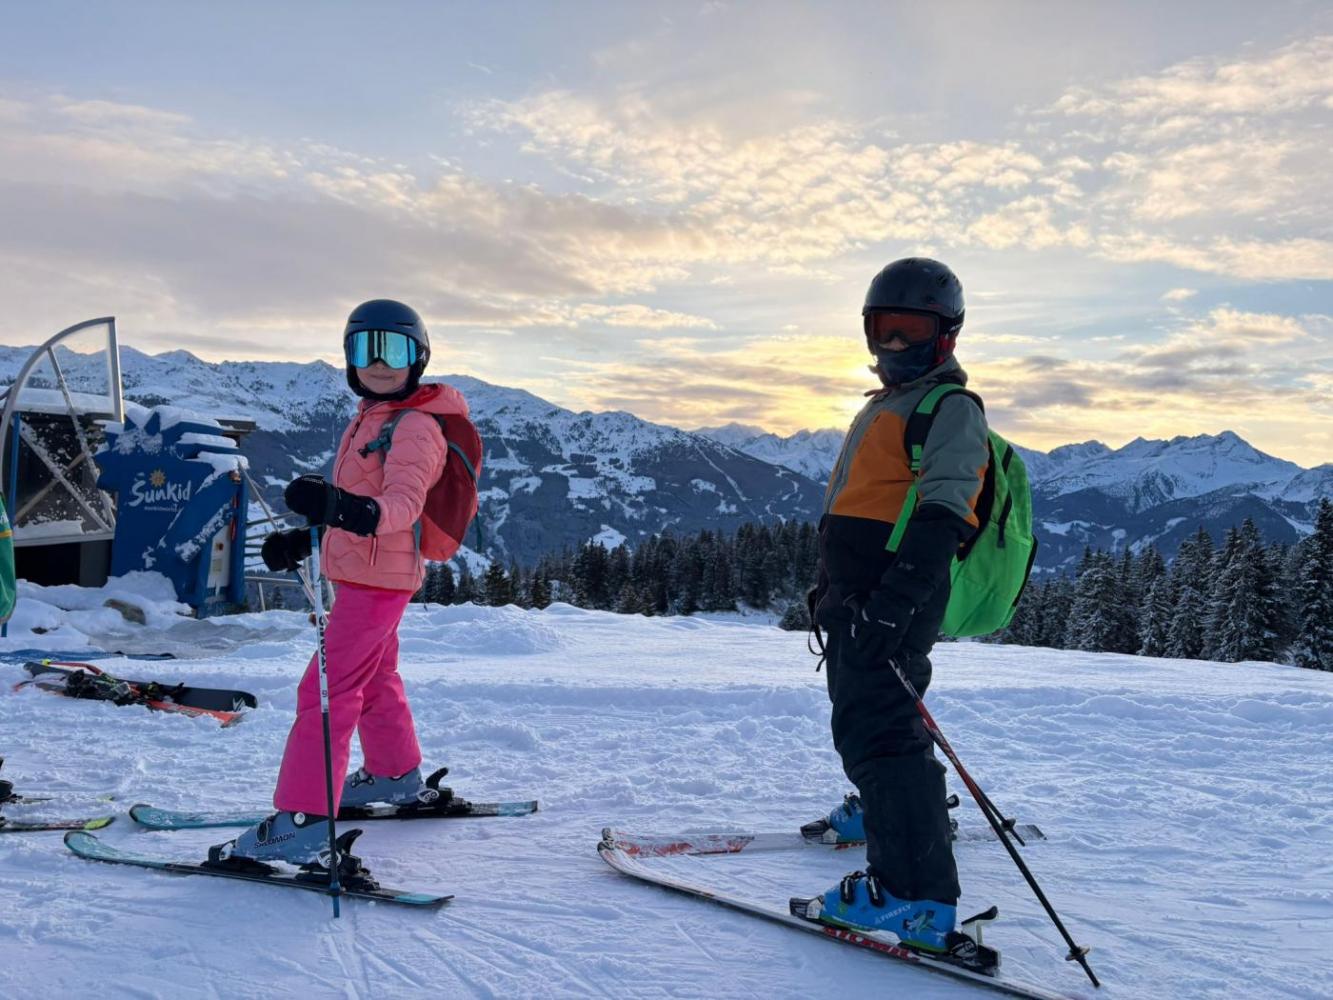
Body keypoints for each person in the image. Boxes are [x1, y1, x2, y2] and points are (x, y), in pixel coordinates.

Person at [213, 299, 471, 866]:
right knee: (375, 678)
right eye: (364, 347)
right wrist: (306, 538)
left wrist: (339, 507)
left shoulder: (415, 426)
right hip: (367, 575)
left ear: (418, 358)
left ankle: (302, 822)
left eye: (393, 349)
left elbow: (399, 506)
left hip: (379, 582)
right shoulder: (372, 418)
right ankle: (394, 775)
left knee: (325, 692)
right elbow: (356, 507)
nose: (378, 362)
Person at [797, 258, 990, 955]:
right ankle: (886, 812)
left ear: (947, 336)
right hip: (862, 599)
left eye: (912, 329)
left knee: (883, 735)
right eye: (885, 328)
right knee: (868, 725)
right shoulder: (886, 405)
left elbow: (944, 514)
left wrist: (894, 603)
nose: (896, 344)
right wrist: (833, 587)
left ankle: (913, 897)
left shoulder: (948, 408)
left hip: (891, 600)